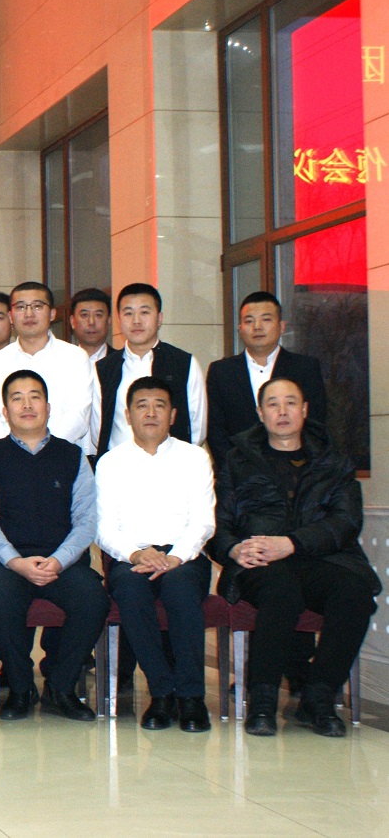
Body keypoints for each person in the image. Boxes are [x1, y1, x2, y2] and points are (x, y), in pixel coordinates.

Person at [210, 376, 379, 738]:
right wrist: (234, 549)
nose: (282, 411)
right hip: (259, 563)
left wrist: (292, 543)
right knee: (281, 591)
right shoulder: (238, 461)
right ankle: (262, 701)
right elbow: (218, 527)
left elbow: (347, 522)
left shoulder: (333, 461)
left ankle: (318, 697)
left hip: (323, 558)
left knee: (355, 592)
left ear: (304, 410)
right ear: (260, 413)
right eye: (273, 404)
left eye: (290, 403)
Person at [0, 370, 107, 721]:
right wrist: (15, 561)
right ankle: (20, 687)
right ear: (5, 411)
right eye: (17, 398)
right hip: (8, 562)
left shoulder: (73, 456)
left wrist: (58, 561)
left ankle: (60, 687)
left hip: (62, 561)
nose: (27, 405)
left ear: (48, 406)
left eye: (35, 397)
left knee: (93, 599)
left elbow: (86, 521)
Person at [95, 377, 215, 733]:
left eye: (159, 405)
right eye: (142, 406)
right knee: (131, 591)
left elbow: (203, 521)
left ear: (173, 415)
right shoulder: (110, 463)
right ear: (128, 415)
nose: (150, 413)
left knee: (180, 589)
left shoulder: (195, 458)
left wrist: (176, 557)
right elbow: (103, 527)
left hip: (184, 558)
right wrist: (135, 554)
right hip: (132, 557)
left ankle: (191, 697)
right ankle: (161, 692)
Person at [0, 281, 101, 453]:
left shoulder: (75, 358)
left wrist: (44, 448)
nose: (29, 314)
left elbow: (78, 417)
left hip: (62, 456)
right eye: (21, 307)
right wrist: (16, 449)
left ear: (52, 314)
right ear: (10, 316)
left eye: (37, 306)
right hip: (9, 458)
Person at [205, 291, 328, 464]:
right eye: (249, 321)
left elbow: (314, 422)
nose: (257, 327)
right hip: (238, 471)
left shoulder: (305, 368)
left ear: (282, 326)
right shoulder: (221, 372)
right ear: (240, 329)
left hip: (294, 469)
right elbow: (215, 429)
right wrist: (235, 469)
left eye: (266, 319)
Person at [92, 284, 206, 460]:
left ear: (159, 318)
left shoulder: (184, 363)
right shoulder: (104, 369)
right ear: (119, 319)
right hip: (121, 465)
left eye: (144, 312)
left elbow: (197, 427)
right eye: (128, 313)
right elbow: (98, 431)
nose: (136, 321)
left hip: (172, 464)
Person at [68, 288, 112, 364]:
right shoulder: (61, 364)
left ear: (108, 321)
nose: (91, 322)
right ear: (72, 322)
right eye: (84, 315)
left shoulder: (123, 362)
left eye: (98, 315)